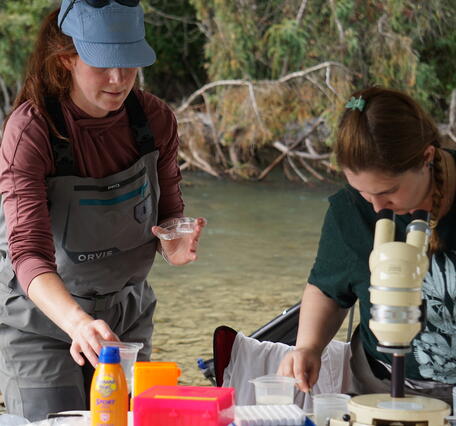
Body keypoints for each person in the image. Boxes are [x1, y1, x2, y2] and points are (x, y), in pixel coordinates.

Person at [0, 0, 206, 421]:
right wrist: (76, 323)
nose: (119, 79)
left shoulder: (154, 121)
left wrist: (173, 243)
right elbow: (28, 254)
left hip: (126, 320)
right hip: (43, 324)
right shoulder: (31, 132)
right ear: (66, 61)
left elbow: (168, 212)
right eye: (103, 64)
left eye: (129, 62)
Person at [278, 87, 455, 404]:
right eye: (362, 192)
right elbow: (328, 288)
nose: (376, 207)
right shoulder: (349, 211)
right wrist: (308, 346)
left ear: (426, 158)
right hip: (382, 383)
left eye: (388, 191)